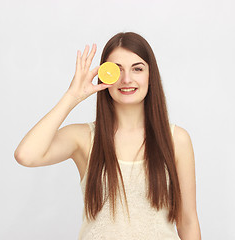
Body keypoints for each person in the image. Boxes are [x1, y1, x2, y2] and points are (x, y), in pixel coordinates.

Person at [14, 32, 201, 240]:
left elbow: (188, 221)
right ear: (105, 75)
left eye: (137, 69)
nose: (127, 79)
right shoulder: (84, 138)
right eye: (117, 70)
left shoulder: (176, 139)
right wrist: (72, 96)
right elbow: (26, 155)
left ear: (151, 75)